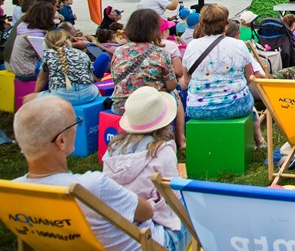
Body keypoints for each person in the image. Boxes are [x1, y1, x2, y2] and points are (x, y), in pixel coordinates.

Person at [13, 96, 191, 251]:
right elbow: (146, 213)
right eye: (76, 123)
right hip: (153, 244)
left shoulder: (14, 191)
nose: (76, 127)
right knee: (188, 201)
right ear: (61, 141)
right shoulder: (92, 186)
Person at [103, 87, 189, 250]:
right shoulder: (162, 151)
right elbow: (174, 198)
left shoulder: (111, 150)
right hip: (156, 239)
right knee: (190, 202)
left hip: (120, 233)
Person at [183, 4, 266, 147]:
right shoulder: (239, 45)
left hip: (198, 107)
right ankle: (259, 141)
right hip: (235, 106)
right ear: (226, 25)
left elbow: (187, 79)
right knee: (249, 103)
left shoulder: (191, 46)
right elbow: (248, 77)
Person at [110, 9, 185, 148]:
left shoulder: (119, 51)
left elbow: (115, 78)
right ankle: (181, 139)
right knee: (176, 95)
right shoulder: (160, 53)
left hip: (123, 104)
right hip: (151, 107)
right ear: (154, 29)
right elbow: (171, 85)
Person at [25, 29, 101, 105]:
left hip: (61, 97)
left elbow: (42, 79)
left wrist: (36, 94)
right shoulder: (82, 53)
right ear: (66, 41)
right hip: (87, 95)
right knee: (96, 90)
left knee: (26, 99)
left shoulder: (48, 54)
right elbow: (91, 78)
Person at [8, 0, 56, 80]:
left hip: (18, 66)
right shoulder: (34, 35)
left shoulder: (24, 27)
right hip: (26, 71)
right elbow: (45, 55)